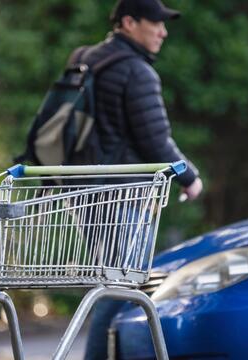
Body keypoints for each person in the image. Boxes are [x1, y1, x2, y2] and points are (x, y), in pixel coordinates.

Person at [74, 0, 203, 358]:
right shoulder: (136, 71)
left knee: (114, 286)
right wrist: (189, 177)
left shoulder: (83, 59)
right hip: (122, 195)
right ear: (129, 23)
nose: (163, 31)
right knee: (122, 290)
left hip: (80, 192)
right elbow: (155, 140)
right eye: (156, 23)